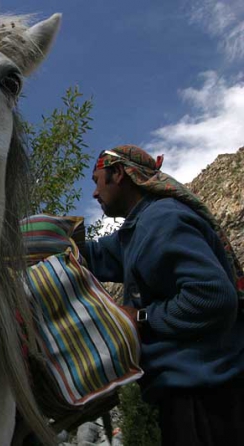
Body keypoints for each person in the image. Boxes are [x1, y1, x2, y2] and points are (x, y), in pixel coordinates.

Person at [83, 145, 244, 446]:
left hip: (207, 397)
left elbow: (213, 296)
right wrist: (50, 237)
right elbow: (96, 255)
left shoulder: (162, 221)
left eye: (97, 180)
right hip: (193, 393)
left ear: (118, 173)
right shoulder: (138, 229)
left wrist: (141, 317)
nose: (94, 193)